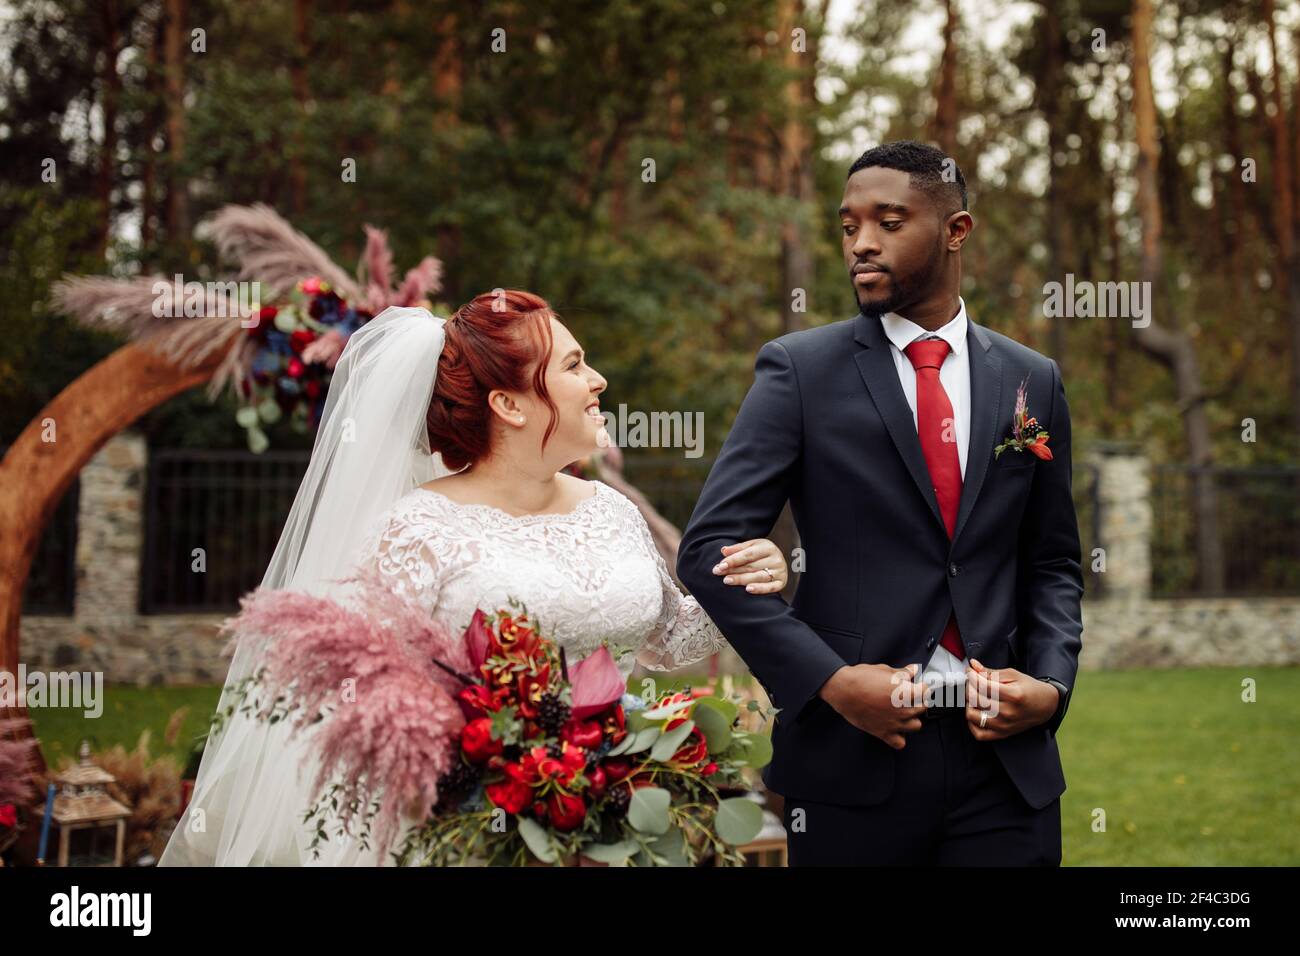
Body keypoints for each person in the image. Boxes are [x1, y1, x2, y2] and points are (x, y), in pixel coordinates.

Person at [159, 289, 785, 866]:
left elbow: (670, 642)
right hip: (469, 835)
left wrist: (748, 576)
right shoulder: (419, 531)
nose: (596, 381)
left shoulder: (610, 510)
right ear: (508, 404)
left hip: (611, 823)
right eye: (572, 366)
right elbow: (368, 712)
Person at [677, 141, 1083, 866]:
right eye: (847, 226)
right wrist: (831, 682)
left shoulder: (1032, 379)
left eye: (888, 221)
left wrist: (1051, 687)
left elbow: (1051, 561)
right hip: (851, 765)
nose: (861, 243)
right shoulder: (798, 371)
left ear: (956, 230)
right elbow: (707, 553)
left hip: (1008, 774)